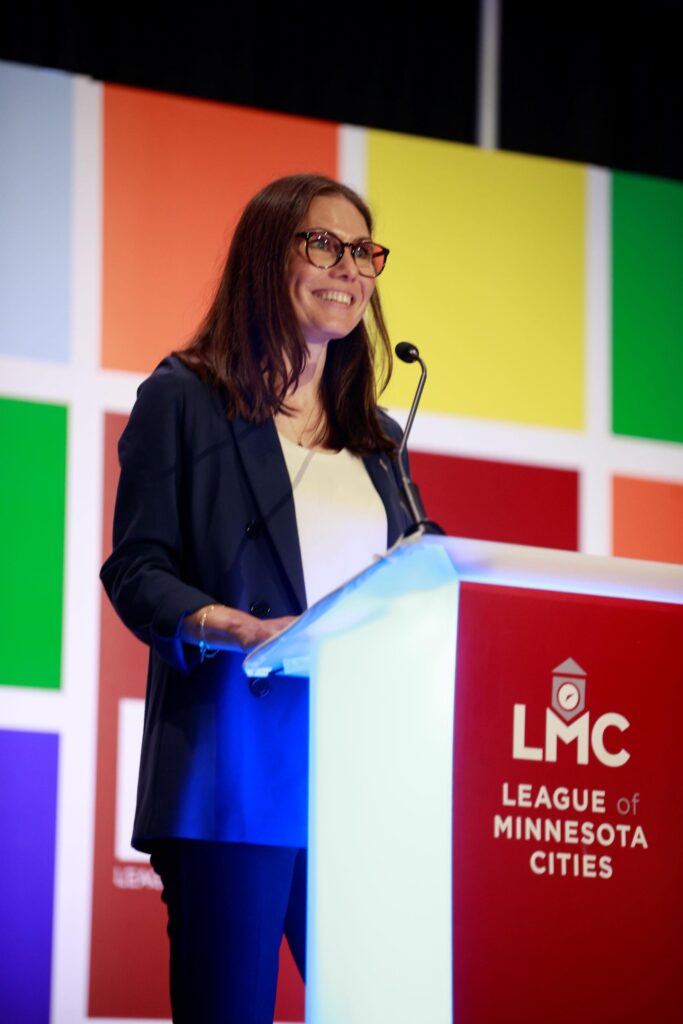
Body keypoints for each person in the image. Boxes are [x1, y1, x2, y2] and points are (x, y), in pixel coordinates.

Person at [100, 172, 412, 1023]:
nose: (348, 267)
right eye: (323, 243)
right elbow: (136, 570)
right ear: (265, 257)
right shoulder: (187, 399)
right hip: (233, 772)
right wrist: (231, 625)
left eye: (363, 252)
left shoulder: (376, 441)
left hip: (363, 780)